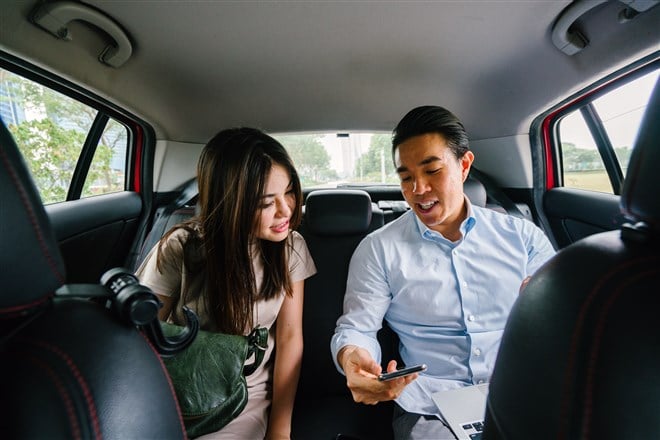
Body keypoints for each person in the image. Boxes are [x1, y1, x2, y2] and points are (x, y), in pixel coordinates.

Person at [330, 106, 556, 439]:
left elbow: (562, 315)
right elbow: (357, 328)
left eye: (432, 170)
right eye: (406, 177)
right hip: (431, 408)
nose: (417, 189)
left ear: (464, 165)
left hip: (521, 393)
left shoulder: (522, 237)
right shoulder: (379, 248)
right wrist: (353, 359)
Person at [136, 127, 317, 440]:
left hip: (240, 399)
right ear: (231, 201)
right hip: (178, 390)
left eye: (289, 191)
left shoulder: (291, 247)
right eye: (265, 203)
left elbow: (289, 338)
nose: (286, 210)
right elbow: (143, 336)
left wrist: (280, 429)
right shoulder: (181, 247)